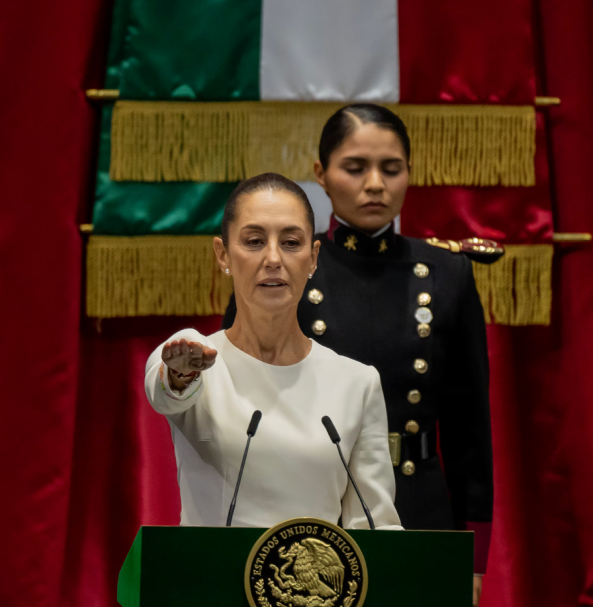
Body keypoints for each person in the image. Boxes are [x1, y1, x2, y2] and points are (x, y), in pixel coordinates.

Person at [223, 105, 497, 603]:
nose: (375, 184)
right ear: (321, 175)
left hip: (419, 508)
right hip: (306, 508)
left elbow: (468, 428)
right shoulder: (286, 269)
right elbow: (239, 405)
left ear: (410, 174)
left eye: (391, 168)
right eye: (355, 167)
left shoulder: (446, 274)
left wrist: (471, 557)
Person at [144, 173, 400, 530]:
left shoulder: (357, 382)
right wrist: (180, 374)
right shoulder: (196, 357)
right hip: (210, 583)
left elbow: (376, 526)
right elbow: (165, 392)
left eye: (292, 243)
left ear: (313, 258)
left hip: (317, 583)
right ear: (223, 254)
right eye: (254, 241)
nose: (273, 258)